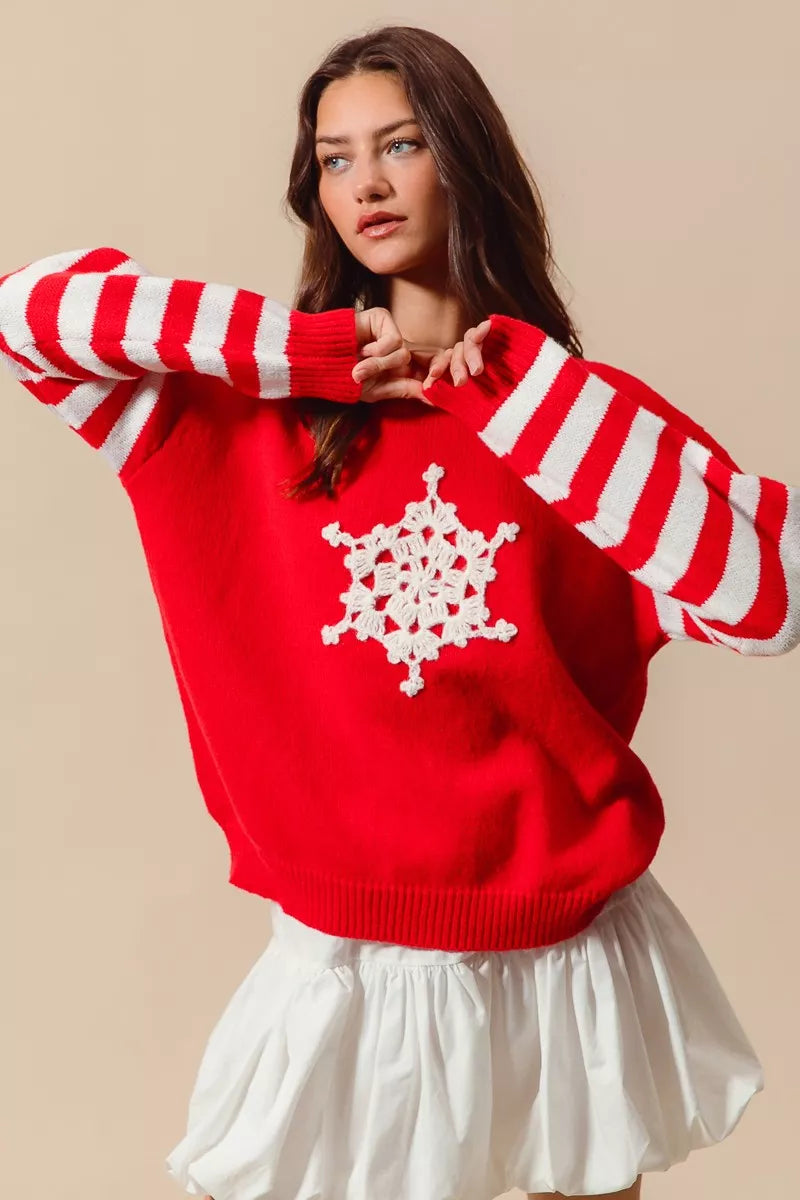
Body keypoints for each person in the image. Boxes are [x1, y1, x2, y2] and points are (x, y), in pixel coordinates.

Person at [1, 22, 798, 1200]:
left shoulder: (576, 425)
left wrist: (522, 390)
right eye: (332, 158)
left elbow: (760, 598)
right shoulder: (225, 418)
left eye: (401, 144)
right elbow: (32, 313)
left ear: (462, 160)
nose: (364, 184)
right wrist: (305, 352)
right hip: (353, 965)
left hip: (559, 944)